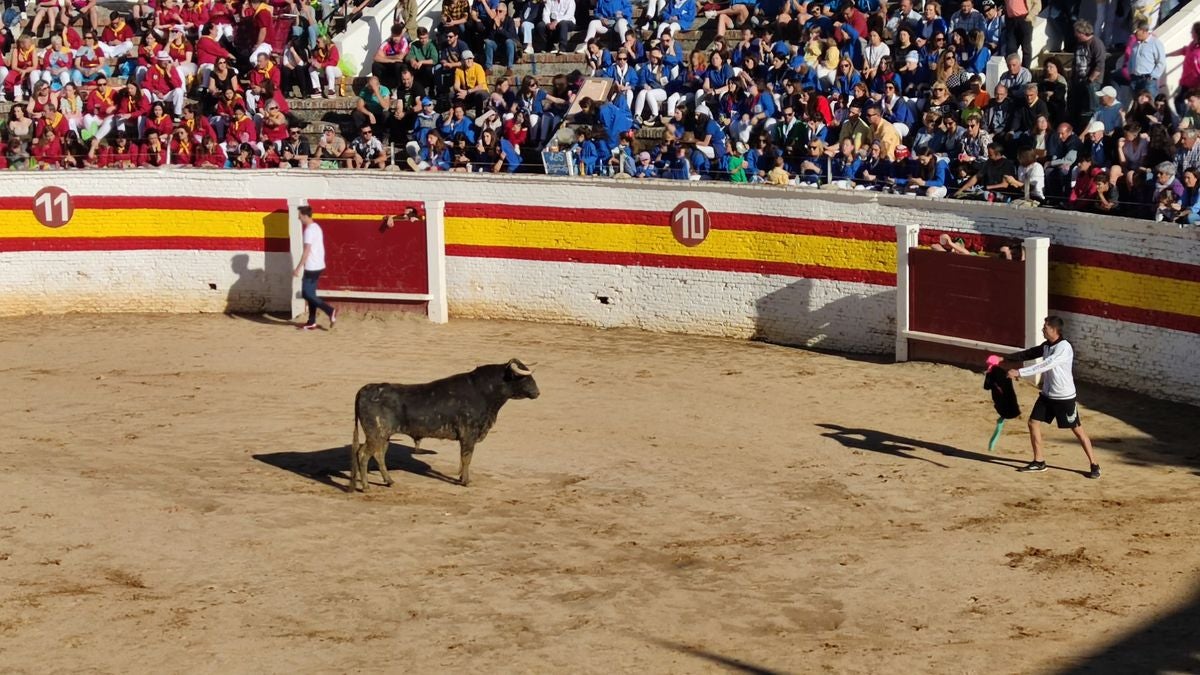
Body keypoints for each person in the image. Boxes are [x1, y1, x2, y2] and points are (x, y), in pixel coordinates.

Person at [1005, 316, 1100, 478]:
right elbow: (1030, 353)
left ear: (1054, 330)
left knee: (1077, 430)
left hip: (1064, 397)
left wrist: (1019, 373)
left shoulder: (1064, 348)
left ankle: (1094, 464)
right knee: (1033, 423)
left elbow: (1045, 364)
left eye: (1045, 327)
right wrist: (1006, 358)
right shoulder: (1047, 346)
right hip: (1047, 395)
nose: (1043, 329)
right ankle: (1039, 461)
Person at [294, 205, 337, 330]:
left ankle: (330, 310)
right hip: (319, 264)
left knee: (306, 293)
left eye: (300, 216)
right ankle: (311, 321)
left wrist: (298, 268)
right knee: (310, 293)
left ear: (305, 216)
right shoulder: (316, 227)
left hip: (312, 266)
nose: (299, 218)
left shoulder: (308, 230)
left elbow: (306, 251)